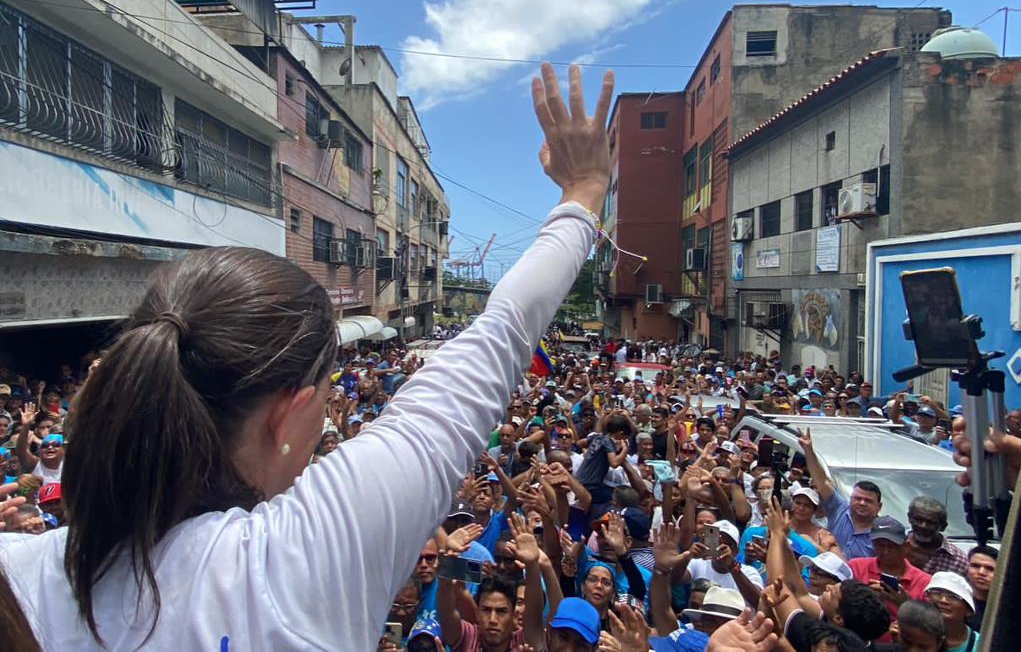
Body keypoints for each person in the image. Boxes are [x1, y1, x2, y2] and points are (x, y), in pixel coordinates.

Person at [0, 63, 616, 649]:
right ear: (289, 415)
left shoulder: (17, 572)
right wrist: (585, 191)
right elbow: (505, 326)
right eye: (325, 395)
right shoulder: (305, 557)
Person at [800, 429, 882, 558]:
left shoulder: (883, 534)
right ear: (850, 499)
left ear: (879, 506)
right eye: (857, 498)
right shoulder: (839, 509)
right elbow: (821, 481)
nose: (862, 503)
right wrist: (808, 450)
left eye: (868, 501)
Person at [848, 517, 931, 625]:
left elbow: (929, 625)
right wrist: (865, 597)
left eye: (892, 546)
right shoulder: (856, 567)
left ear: (906, 547)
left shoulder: (924, 582)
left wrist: (905, 604)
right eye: (880, 545)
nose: (885, 552)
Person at [904, 497, 966, 576]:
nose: (923, 526)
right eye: (918, 519)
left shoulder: (959, 561)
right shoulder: (892, 545)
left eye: (931, 522)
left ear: (943, 526)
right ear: (909, 518)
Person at [924, 572, 979, 652]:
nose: (943, 600)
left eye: (954, 596)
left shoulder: (980, 644)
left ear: (968, 610)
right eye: (937, 593)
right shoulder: (914, 634)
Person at [964, 546, 996, 632]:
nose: (981, 572)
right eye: (975, 566)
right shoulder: (958, 603)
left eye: (990, 569)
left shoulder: (1003, 607)